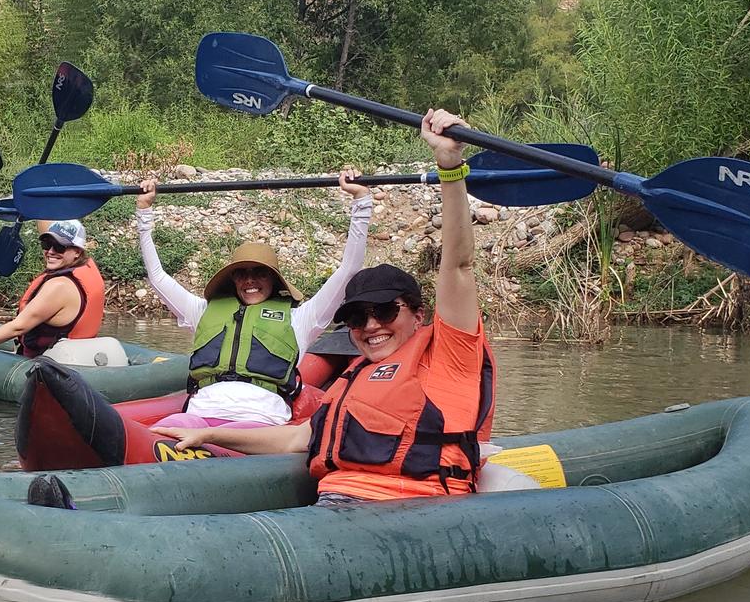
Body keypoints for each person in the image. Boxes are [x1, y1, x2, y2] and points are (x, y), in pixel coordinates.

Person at [152, 109, 496, 504]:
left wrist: (449, 167)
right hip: (333, 506)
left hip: (409, 508)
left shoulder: (450, 357)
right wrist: (207, 434)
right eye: (355, 316)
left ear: (418, 314)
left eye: (384, 311)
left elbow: (458, 266)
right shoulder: (353, 380)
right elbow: (298, 438)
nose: (369, 325)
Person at [139, 170, 373, 430]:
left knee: (213, 436)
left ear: (274, 280)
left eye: (260, 273)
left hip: (260, 420)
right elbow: (158, 277)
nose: (250, 280)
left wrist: (361, 201)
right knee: (165, 427)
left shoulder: (302, 318)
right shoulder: (201, 310)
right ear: (233, 279)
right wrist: (144, 211)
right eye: (242, 274)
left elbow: (349, 269)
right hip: (199, 413)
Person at [0, 218, 105, 361]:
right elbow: (47, 225)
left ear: (77, 252)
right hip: (73, 356)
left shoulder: (60, 286)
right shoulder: (86, 267)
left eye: (60, 247)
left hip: (44, 363)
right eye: (47, 244)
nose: (51, 251)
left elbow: (19, 327)